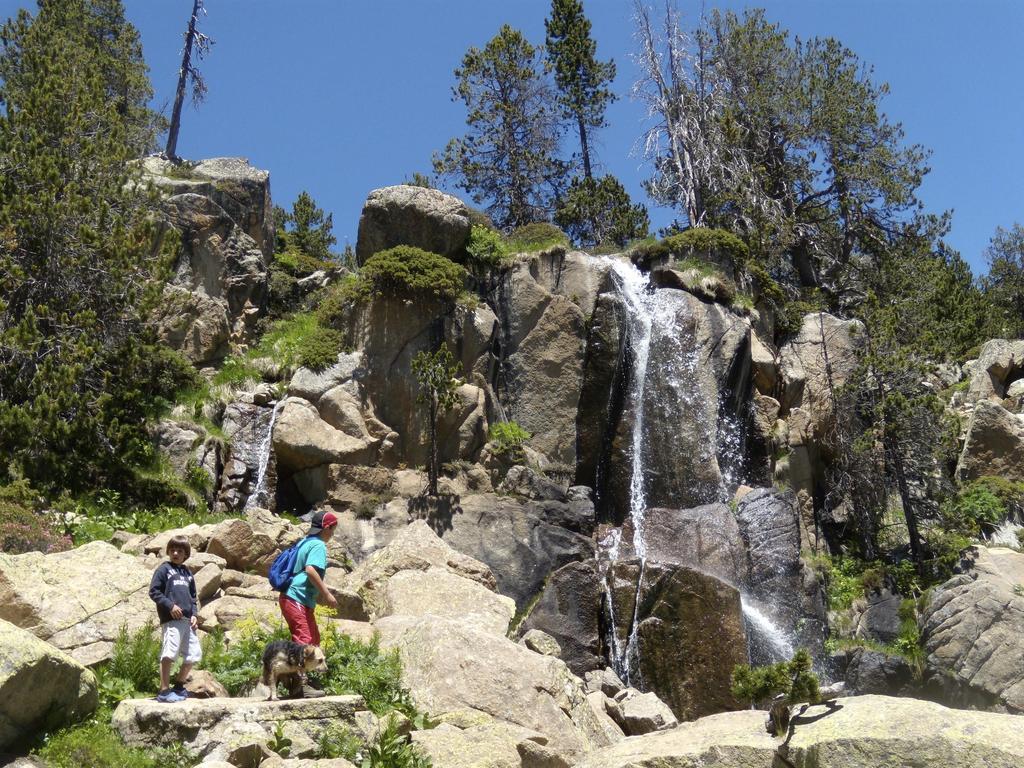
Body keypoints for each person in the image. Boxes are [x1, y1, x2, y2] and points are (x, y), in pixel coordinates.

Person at [278, 510, 338, 698]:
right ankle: (299, 686)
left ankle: (299, 678)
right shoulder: (319, 545)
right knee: (304, 641)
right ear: (326, 528)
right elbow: (311, 570)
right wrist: (326, 594)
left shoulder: (305, 542)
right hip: (296, 597)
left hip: (296, 598)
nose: (333, 534)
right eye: (333, 529)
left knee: (314, 640)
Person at [149, 534, 202, 703]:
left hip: (188, 621)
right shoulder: (164, 569)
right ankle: (164, 690)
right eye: (172, 550)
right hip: (172, 620)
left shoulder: (187, 573)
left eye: (180, 550)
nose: (176, 553)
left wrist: (194, 614)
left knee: (193, 655)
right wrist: (170, 605)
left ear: (186, 553)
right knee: (169, 653)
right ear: (168, 552)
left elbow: (193, 597)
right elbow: (154, 591)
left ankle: (179, 686)